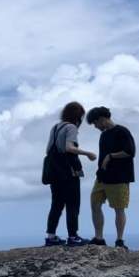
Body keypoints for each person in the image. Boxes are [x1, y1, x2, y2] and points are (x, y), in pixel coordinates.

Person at [44, 101, 96, 247]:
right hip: (69, 172)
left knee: (56, 204)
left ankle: (51, 236)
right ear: (77, 116)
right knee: (73, 204)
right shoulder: (71, 127)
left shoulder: (55, 127)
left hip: (54, 173)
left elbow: (48, 150)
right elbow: (69, 147)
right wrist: (88, 153)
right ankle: (73, 236)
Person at [86, 106, 136, 249]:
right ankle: (99, 238)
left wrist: (111, 156)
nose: (96, 127)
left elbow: (130, 152)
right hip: (102, 177)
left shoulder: (122, 131)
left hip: (119, 177)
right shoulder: (104, 135)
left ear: (101, 119)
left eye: (95, 123)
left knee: (119, 208)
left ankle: (119, 240)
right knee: (95, 204)